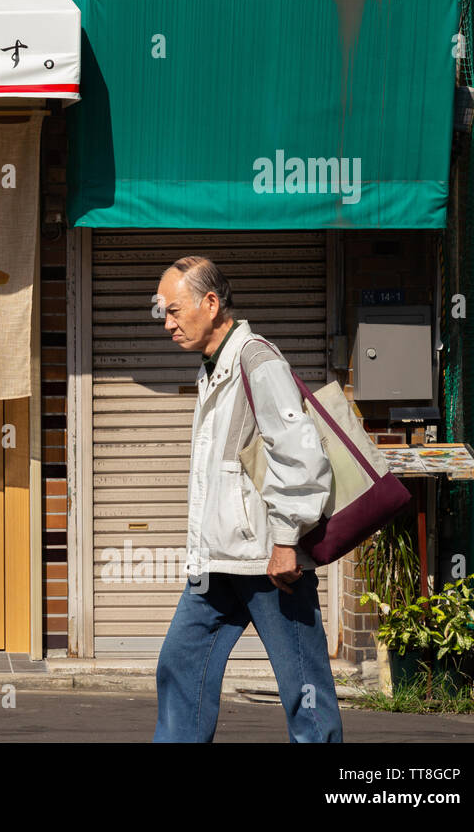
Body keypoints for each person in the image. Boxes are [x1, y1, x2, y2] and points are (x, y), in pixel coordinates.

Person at [152, 256, 342, 742]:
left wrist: (284, 541)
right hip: (215, 563)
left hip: (267, 563)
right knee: (180, 666)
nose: (167, 323)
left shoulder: (258, 360)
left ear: (211, 303)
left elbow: (302, 458)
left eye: (174, 310)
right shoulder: (213, 368)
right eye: (163, 313)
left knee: (304, 690)